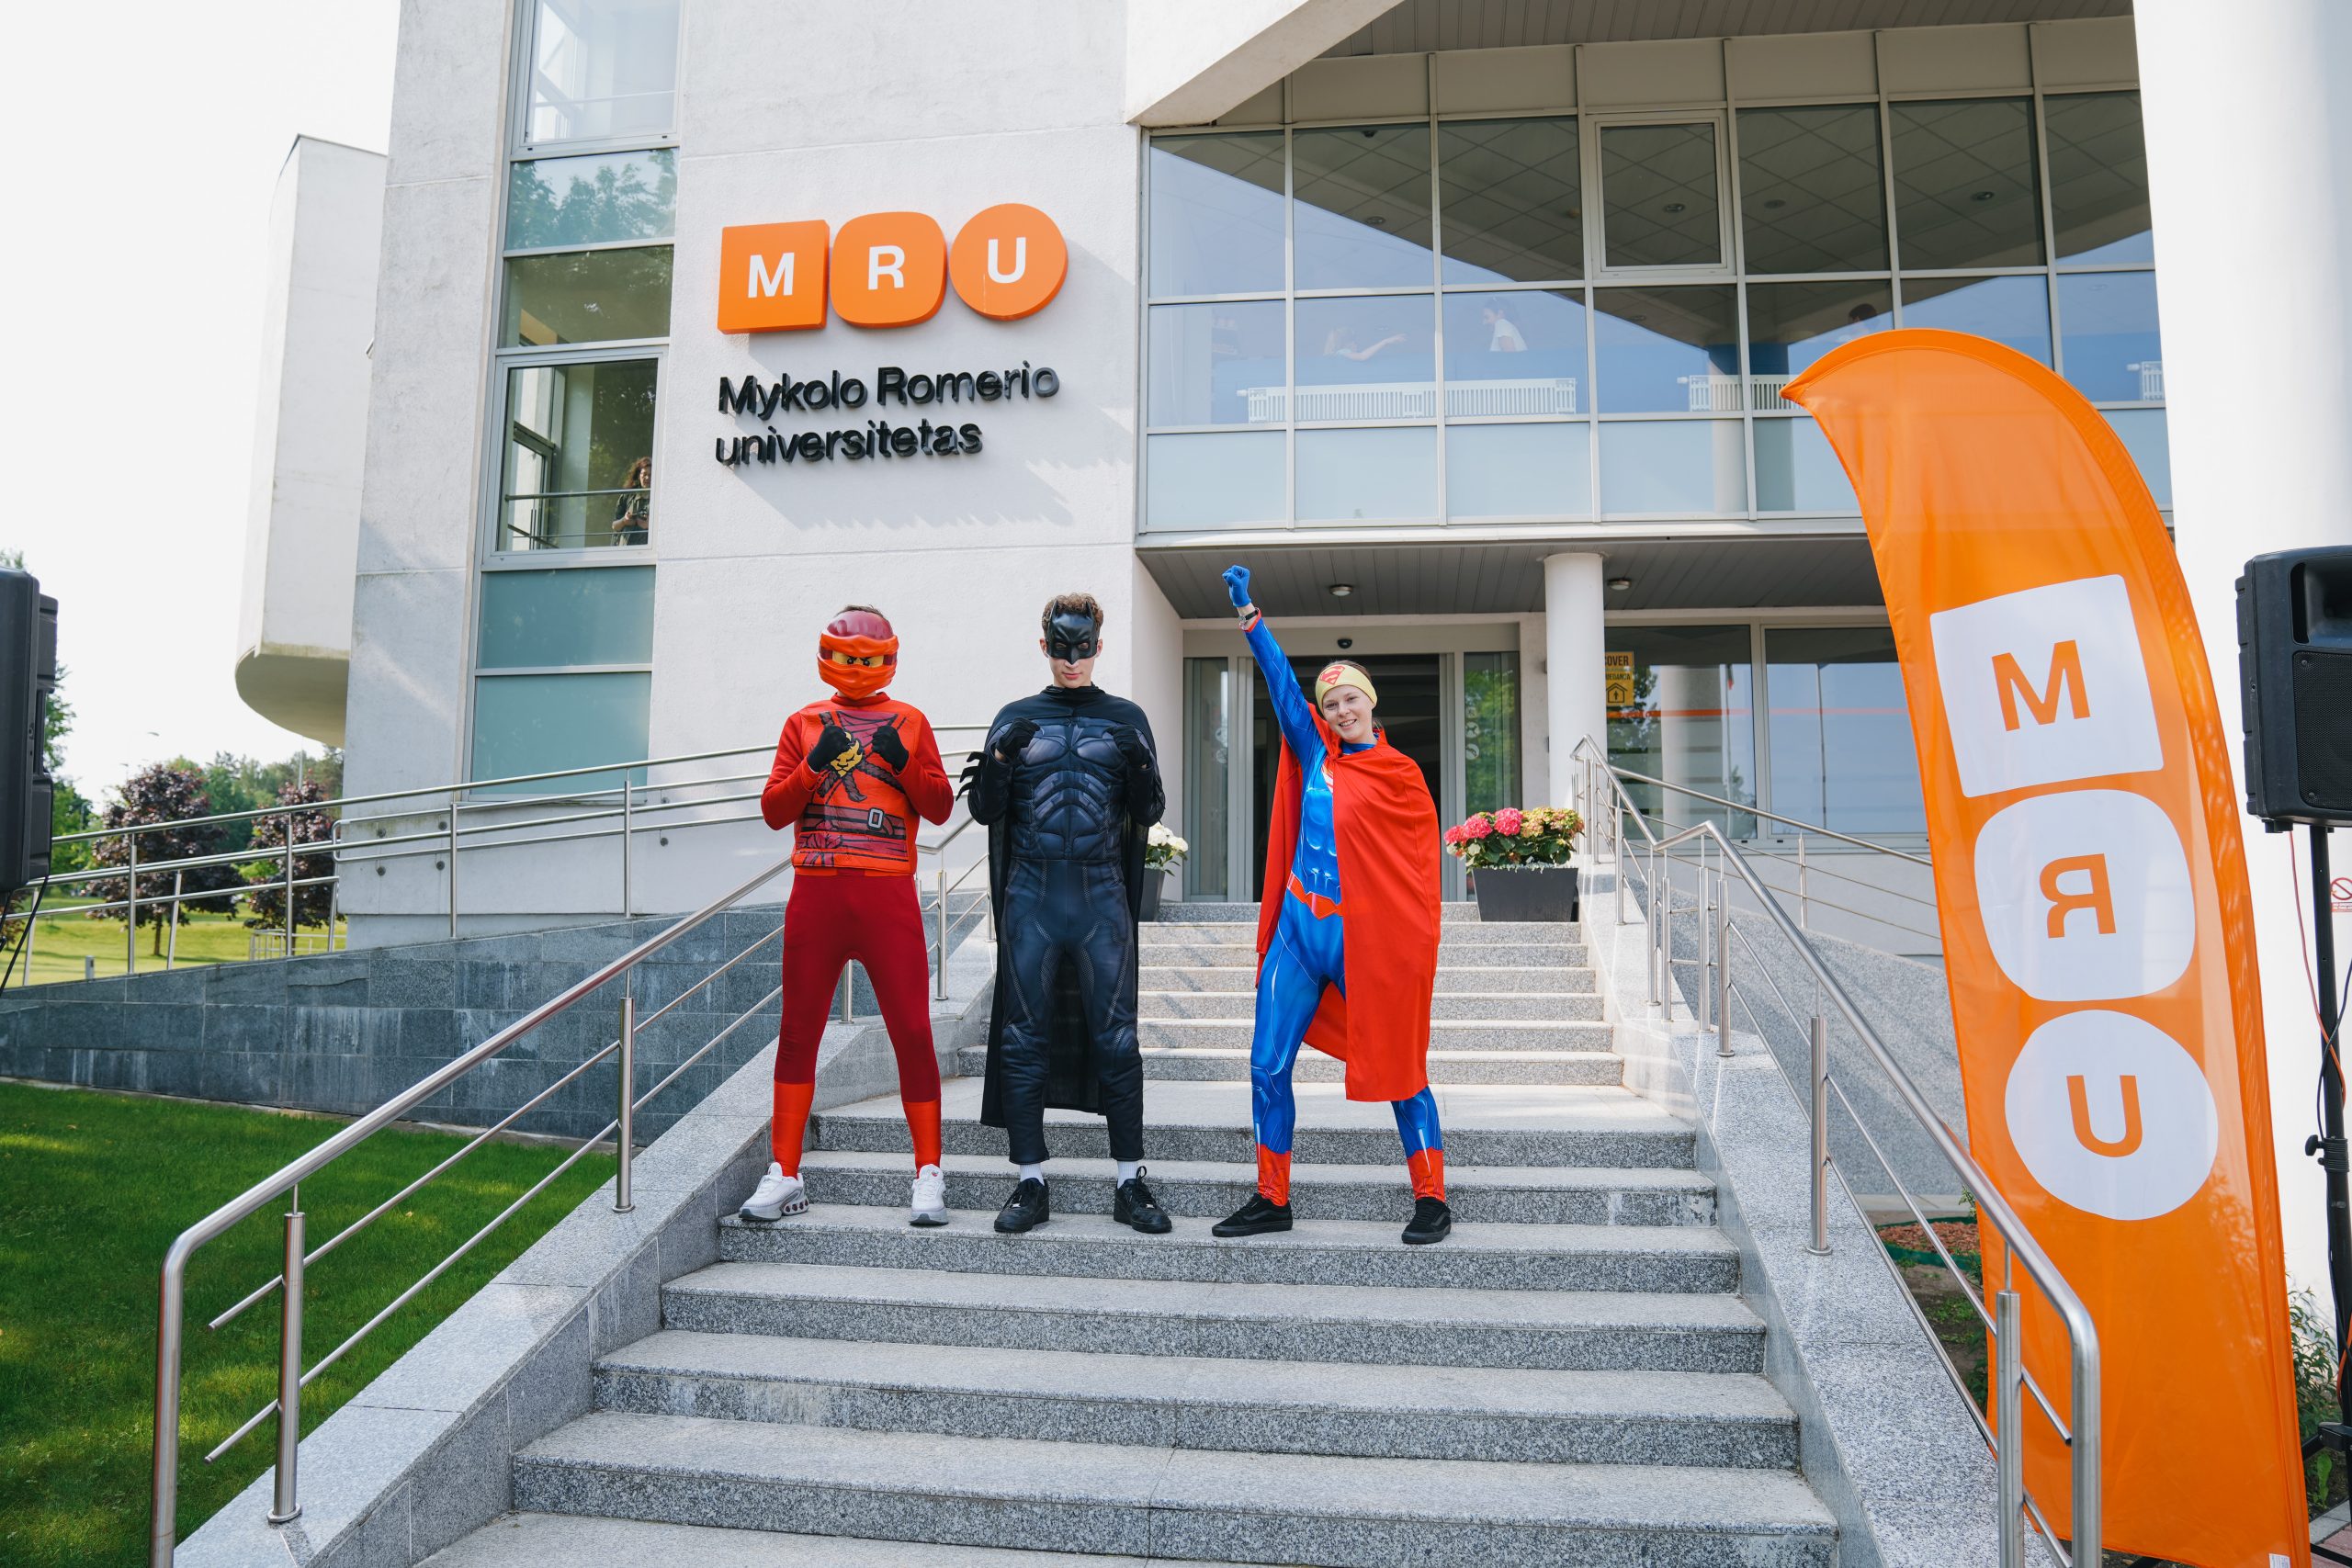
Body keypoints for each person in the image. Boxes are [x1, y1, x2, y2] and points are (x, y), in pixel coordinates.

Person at [1212, 564, 1452, 1246]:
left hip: (1361, 938)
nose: (1342, 711)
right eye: (1332, 703)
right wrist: (1250, 616)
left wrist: (1410, 950)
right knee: (1266, 1064)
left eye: (1351, 700)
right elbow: (1282, 686)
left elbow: (1415, 875)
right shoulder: (1315, 751)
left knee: (1400, 1064)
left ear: (1369, 703)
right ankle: (1271, 1197)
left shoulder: (1401, 774)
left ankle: (1432, 1198)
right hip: (1299, 926)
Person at [740, 605, 956, 1227]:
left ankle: (928, 1170)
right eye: (845, 655)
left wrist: (901, 761)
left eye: (869, 657)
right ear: (826, 654)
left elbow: (940, 806)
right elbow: (774, 811)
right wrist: (814, 765)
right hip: (818, 892)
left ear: (889, 657)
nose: (856, 667)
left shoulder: (911, 721)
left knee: (912, 1031)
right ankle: (785, 1170)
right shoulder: (802, 722)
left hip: (888, 894)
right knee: (798, 1031)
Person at [967, 592, 1172, 1236]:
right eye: (1061, 647)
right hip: (1031, 894)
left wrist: (1139, 762)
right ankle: (1030, 1180)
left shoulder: (1126, 717)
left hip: (1101, 895)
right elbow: (983, 810)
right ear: (1044, 647)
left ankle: (1130, 1180)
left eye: (1082, 648)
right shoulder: (1016, 716)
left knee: (1119, 1037)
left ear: (1099, 647)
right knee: (1021, 1036)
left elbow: (1150, 809)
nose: (1072, 659)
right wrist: (1000, 760)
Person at [610, 457, 651, 545]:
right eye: (644, 474)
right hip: (626, 549)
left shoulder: (659, 498)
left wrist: (650, 525)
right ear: (639, 475)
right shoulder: (628, 495)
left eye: (651, 475)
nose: (647, 477)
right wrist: (624, 521)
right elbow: (614, 526)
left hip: (648, 550)